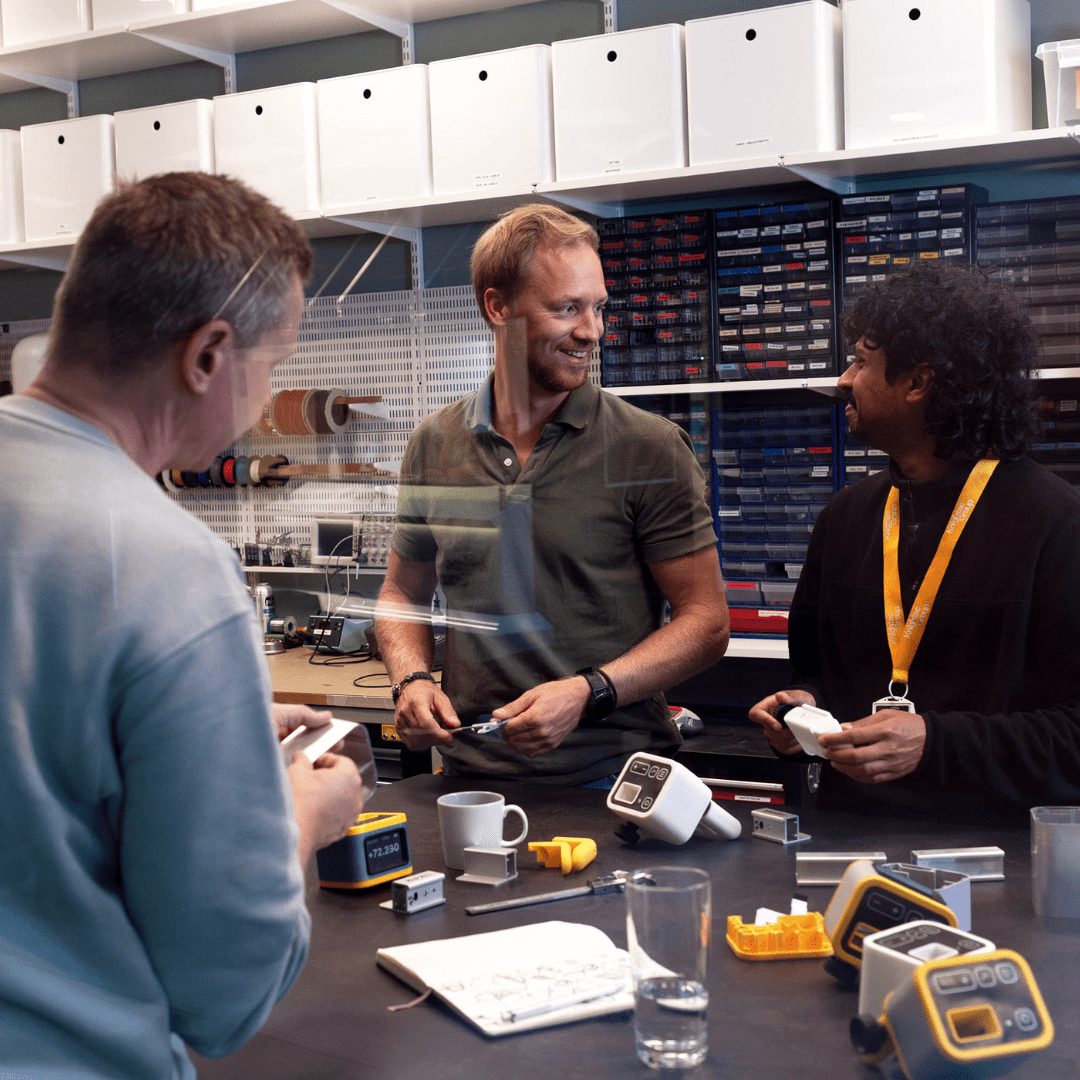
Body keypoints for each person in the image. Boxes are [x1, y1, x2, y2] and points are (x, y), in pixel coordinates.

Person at [0, 173, 366, 1079]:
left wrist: (201, 737)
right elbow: (220, 989)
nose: (262, 396)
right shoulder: (166, 564)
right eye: (272, 364)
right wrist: (294, 821)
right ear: (207, 355)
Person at [375, 204, 728, 785]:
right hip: (469, 778)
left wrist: (591, 691)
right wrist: (411, 678)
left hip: (613, 780)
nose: (591, 331)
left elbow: (707, 622)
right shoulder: (434, 444)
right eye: (566, 308)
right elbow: (401, 593)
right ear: (498, 307)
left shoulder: (649, 446)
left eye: (597, 308)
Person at [749, 263, 1080, 820]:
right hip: (846, 840)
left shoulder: (1058, 525)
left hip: (997, 861)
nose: (843, 379)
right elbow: (816, 673)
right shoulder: (845, 517)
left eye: (860, 360)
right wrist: (804, 708)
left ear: (917, 382)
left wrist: (935, 742)